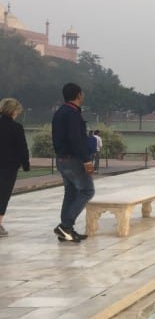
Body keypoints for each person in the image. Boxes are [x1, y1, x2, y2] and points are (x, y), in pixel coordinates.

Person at [51, 83, 94, 242]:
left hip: (62, 158)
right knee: (87, 191)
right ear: (78, 95)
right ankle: (66, 226)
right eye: (82, 93)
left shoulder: (60, 112)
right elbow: (76, 139)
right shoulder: (73, 113)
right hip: (73, 159)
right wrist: (86, 160)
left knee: (70, 193)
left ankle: (66, 230)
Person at [0, 98, 30, 236]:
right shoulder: (16, 128)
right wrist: (26, 165)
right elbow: (22, 148)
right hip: (9, 166)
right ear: (14, 111)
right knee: (3, 194)